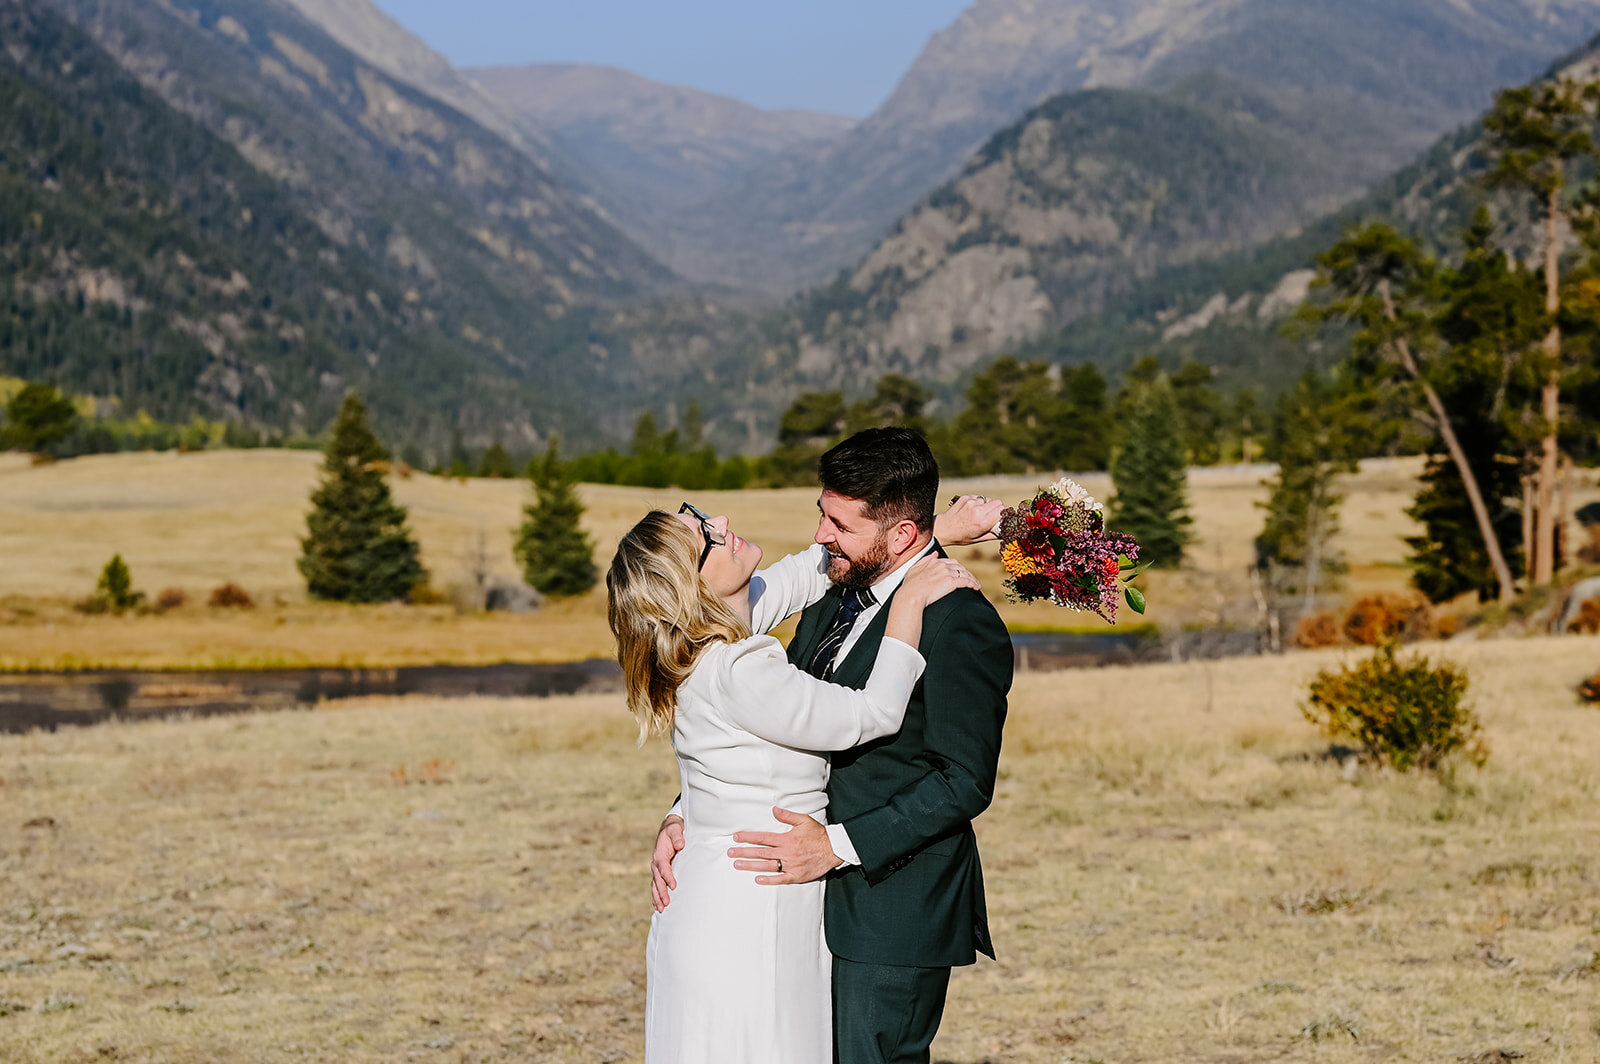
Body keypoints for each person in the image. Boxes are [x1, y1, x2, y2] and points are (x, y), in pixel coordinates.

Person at [650, 428, 1014, 1064]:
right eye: (822, 513)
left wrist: (836, 846)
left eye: (839, 524)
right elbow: (773, 722)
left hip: (890, 911)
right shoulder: (833, 596)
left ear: (899, 537)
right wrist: (690, 808)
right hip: (799, 905)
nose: (820, 536)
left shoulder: (961, 622)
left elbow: (962, 781)